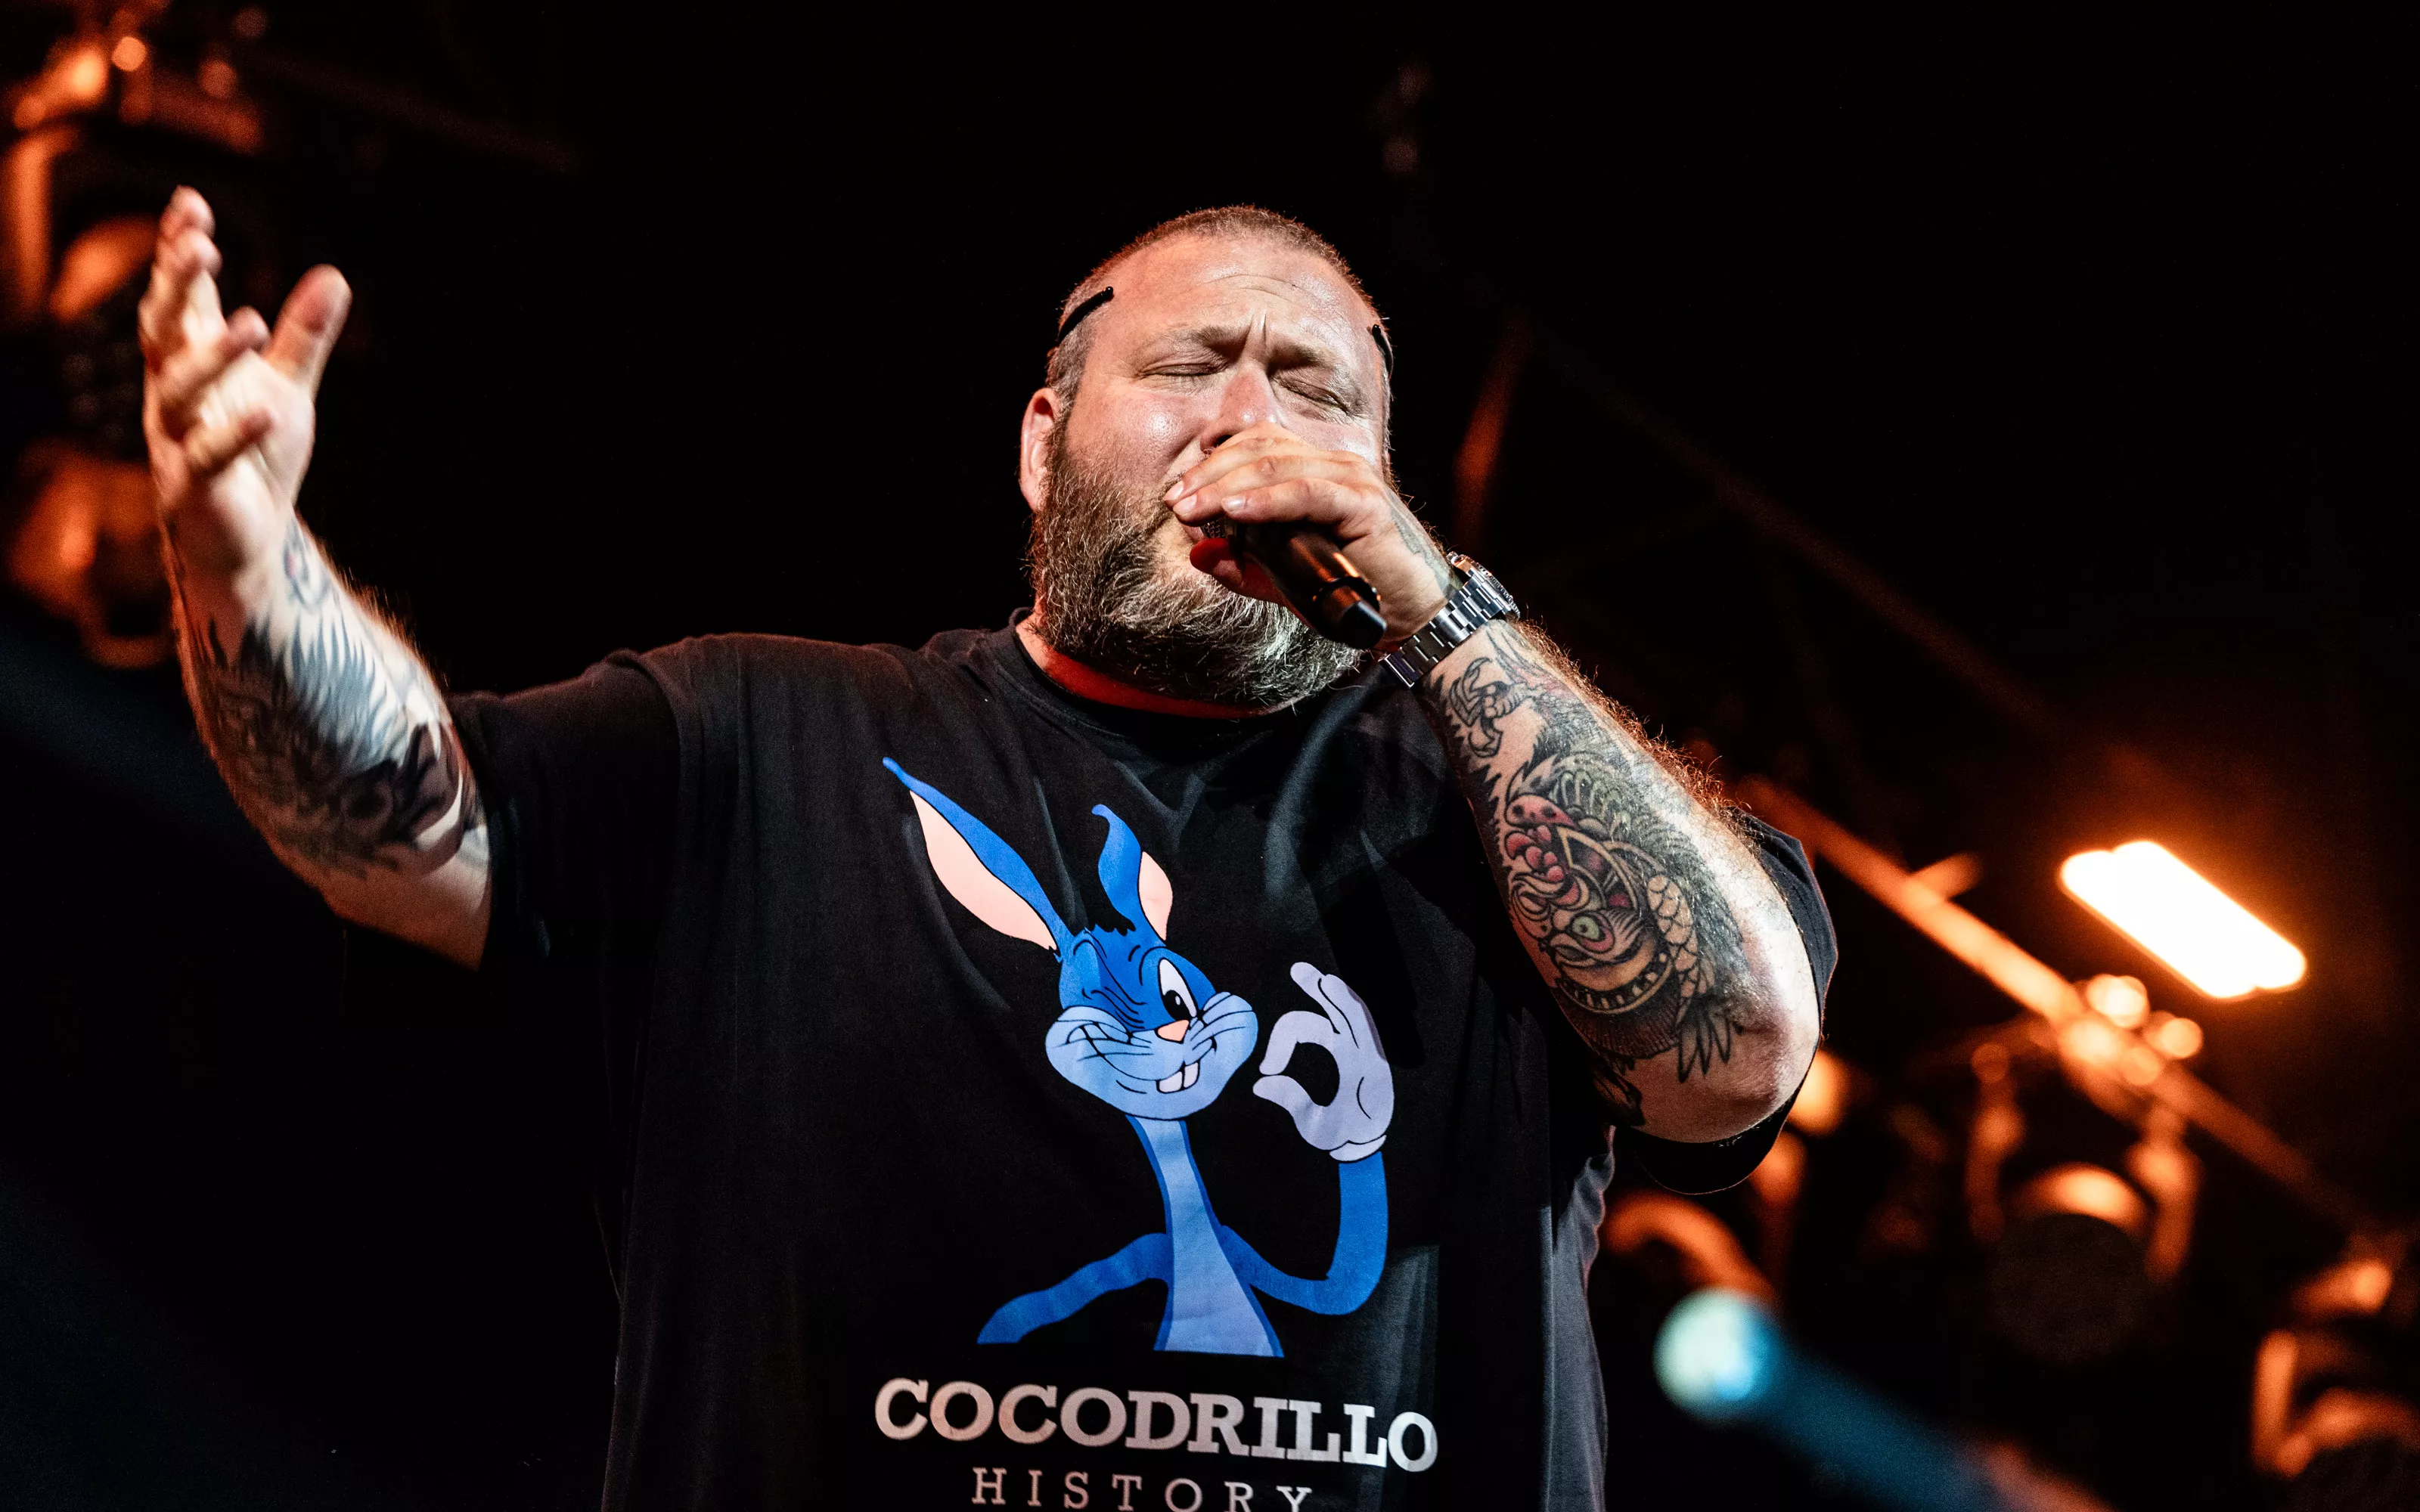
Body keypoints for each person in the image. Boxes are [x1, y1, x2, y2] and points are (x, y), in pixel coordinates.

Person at [139, 184, 1831, 1509]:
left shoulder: (1499, 816)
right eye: (1189, 367)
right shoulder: (760, 739)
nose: (1250, 416)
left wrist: (1439, 607)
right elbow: (396, 828)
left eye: (1314, 389)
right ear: (1042, 442)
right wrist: (242, 559)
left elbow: (1736, 1052)